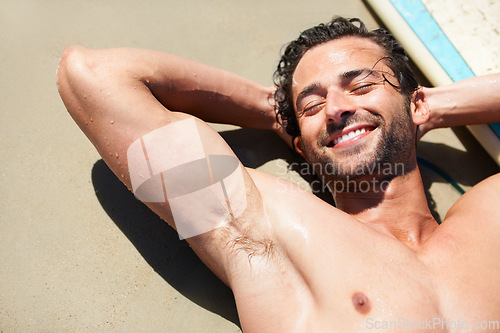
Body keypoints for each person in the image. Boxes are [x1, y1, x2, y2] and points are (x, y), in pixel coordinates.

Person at [57, 17, 500, 332]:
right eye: (312, 105)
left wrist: (423, 109)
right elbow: (93, 76)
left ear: (418, 104)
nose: (337, 108)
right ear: (301, 147)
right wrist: (279, 113)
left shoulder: (491, 215)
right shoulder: (267, 226)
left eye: (361, 85)